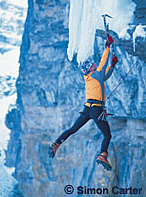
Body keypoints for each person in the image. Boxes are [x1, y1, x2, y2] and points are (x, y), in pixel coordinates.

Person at [48, 36, 118, 171]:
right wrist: (107, 47)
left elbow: (106, 75)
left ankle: (56, 143)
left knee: (73, 129)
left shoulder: (90, 77)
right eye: (92, 64)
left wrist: (113, 66)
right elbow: (103, 64)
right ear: (91, 68)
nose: (95, 64)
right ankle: (103, 154)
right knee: (107, 135)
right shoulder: (95, 75)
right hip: (96, 109)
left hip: (87, 109)